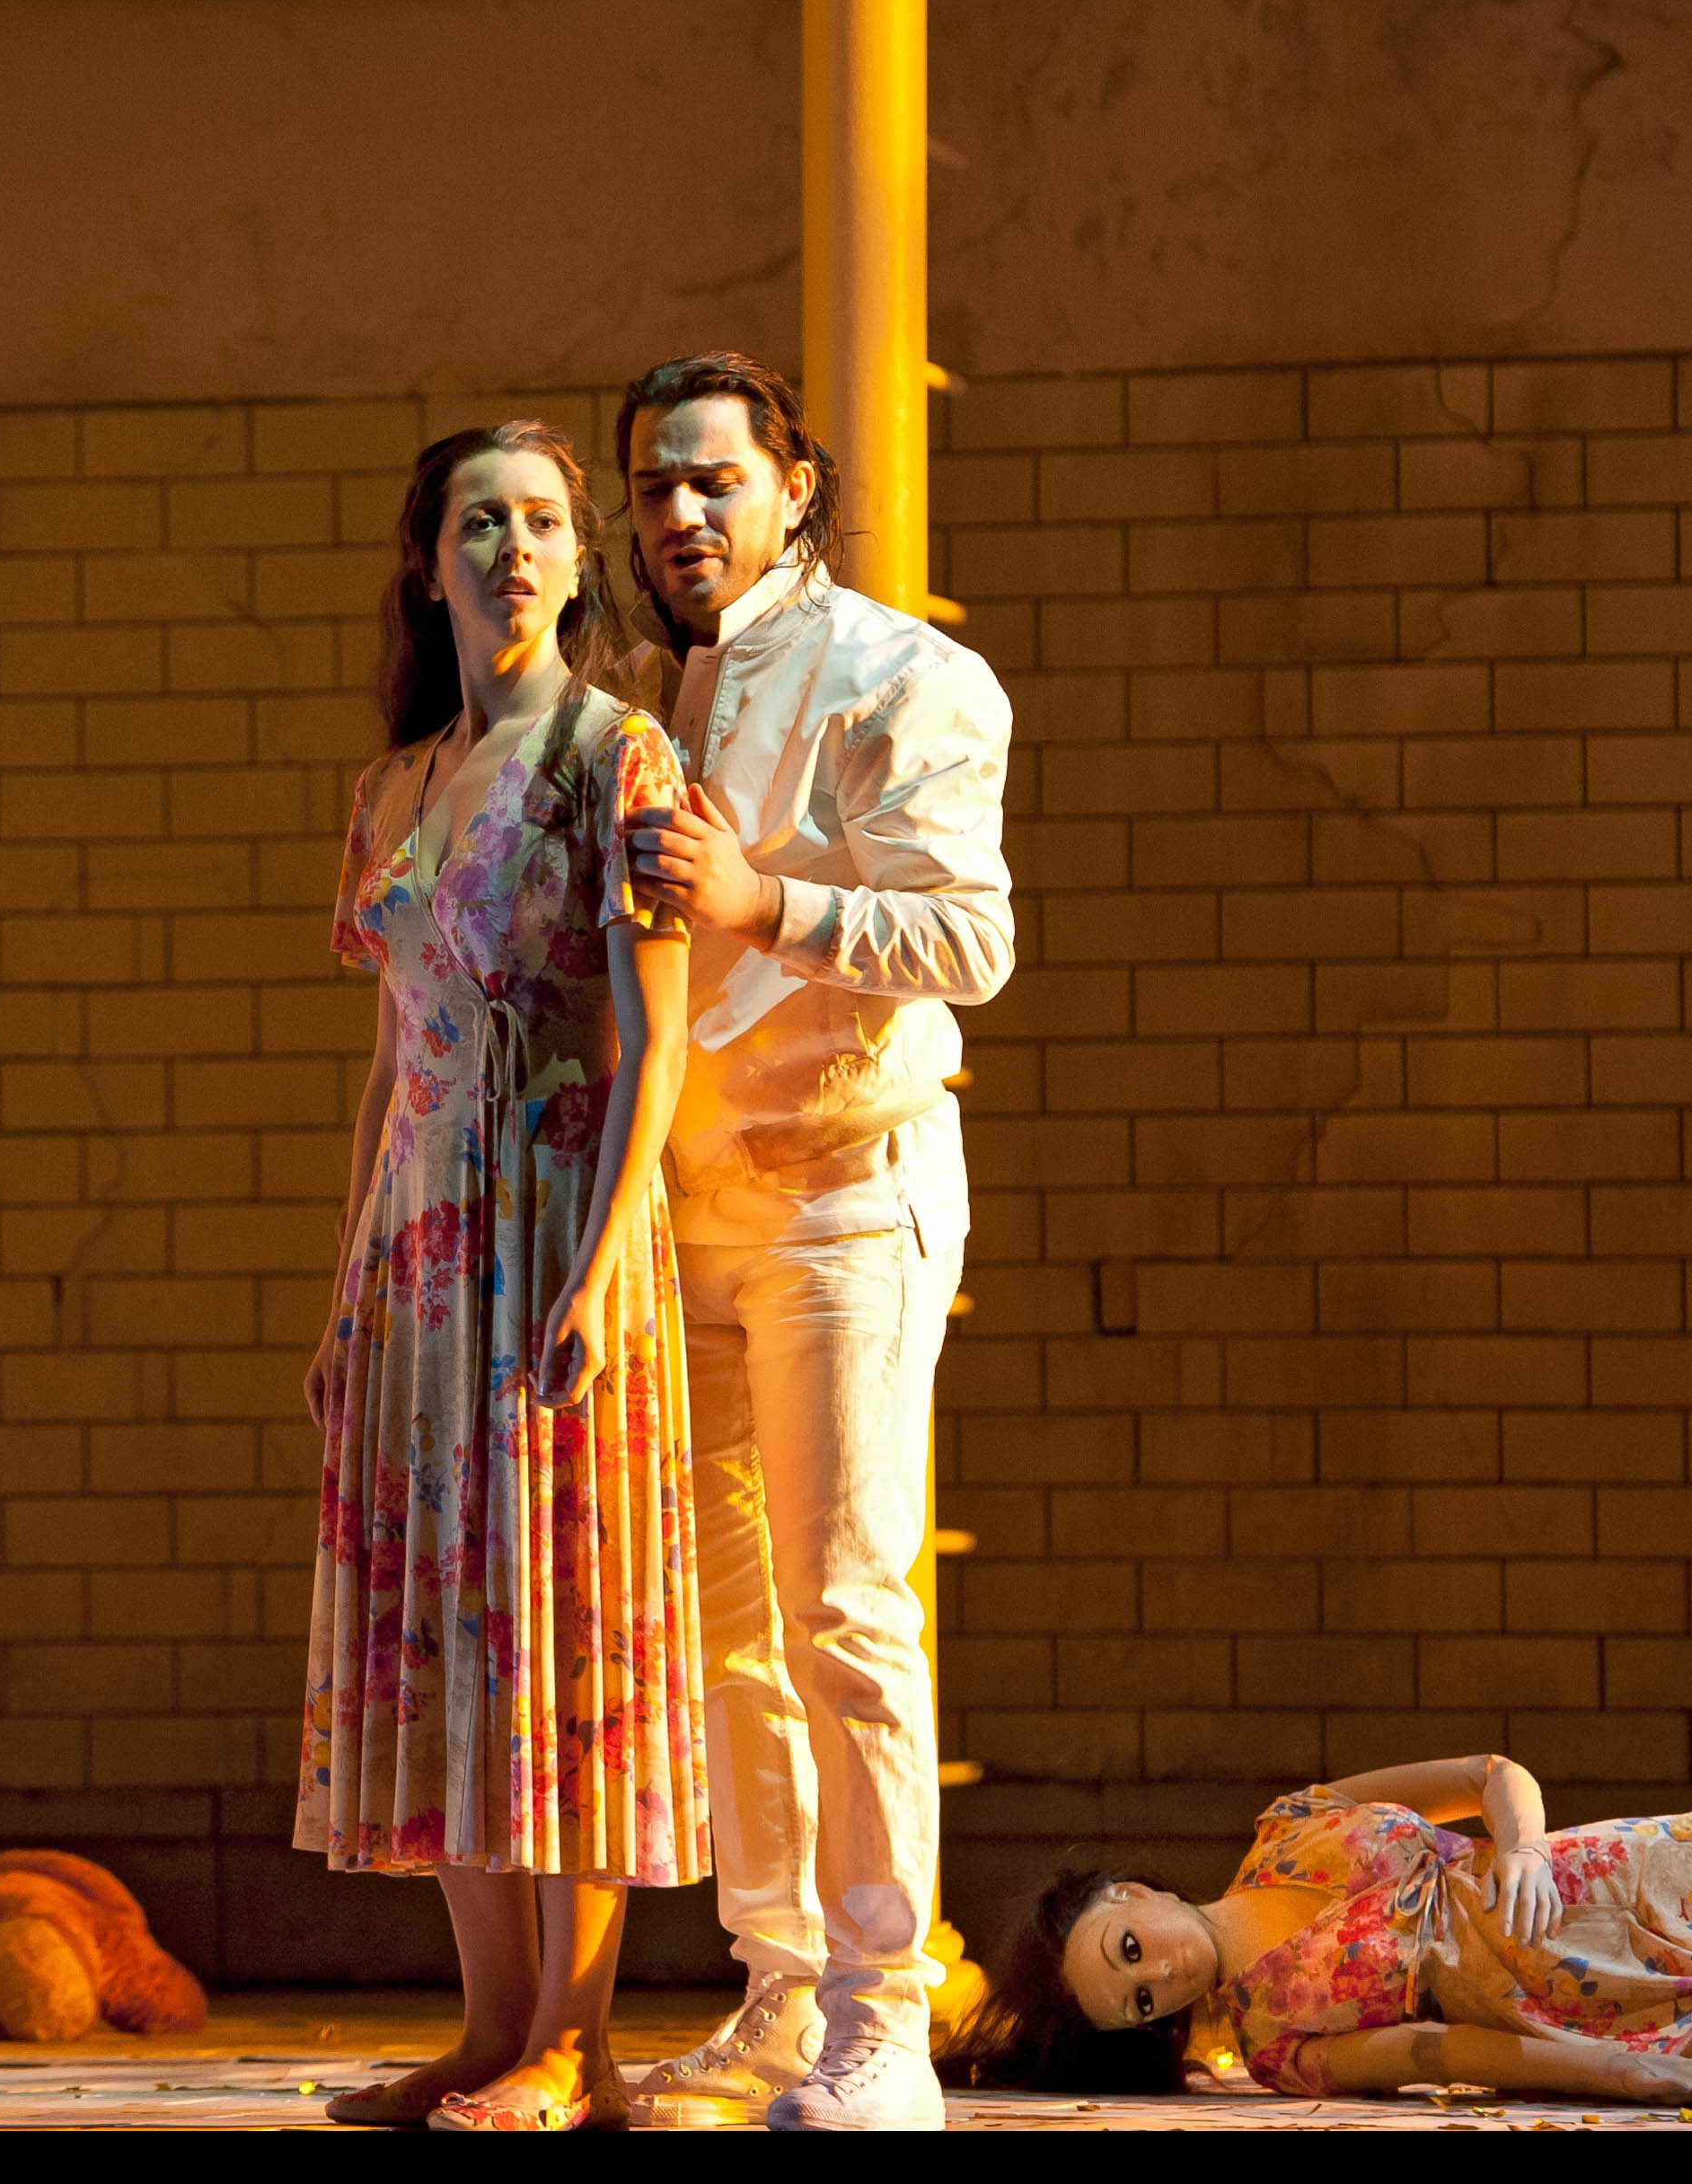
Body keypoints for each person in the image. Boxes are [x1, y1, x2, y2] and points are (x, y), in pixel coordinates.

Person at [609, 352, 1016, 2133]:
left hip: (847, 1181)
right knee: (729, 1624)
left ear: (795, 485)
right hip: (687, 1209)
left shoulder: (904, 672)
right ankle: (780, 1988)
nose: (679, 514)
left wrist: (766, 897)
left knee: (849, 1606)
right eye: (651, 487)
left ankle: (882, 2017)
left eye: (712, 478)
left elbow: (971, 939)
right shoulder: (641, 694)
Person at [295, 419, 704, 2134]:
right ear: (429, 557)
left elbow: (654, 1038)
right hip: (418, 1254)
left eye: (546, 521)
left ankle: (574, 2039)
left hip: (554, 1226)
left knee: (569, 1625)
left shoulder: (615, 759)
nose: (518, 548)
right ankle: (483, 2029)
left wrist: (606, 1261)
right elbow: (395, 1055)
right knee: (449, 1628)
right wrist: (344, 1287)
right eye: (484, 520)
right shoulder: (393, 788)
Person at [944, 1751, 1692, 2122]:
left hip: (1614, 1867)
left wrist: (1512, 1846)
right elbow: (1444, 2056)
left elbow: (1489, 1772)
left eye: (1126, 1951)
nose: (1157, 1974)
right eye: (1138, 2002)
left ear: (1128, 1890)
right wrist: (1629, 2073)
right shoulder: (1274, 2040)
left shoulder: (1292, 1823)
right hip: (1584, 1990)